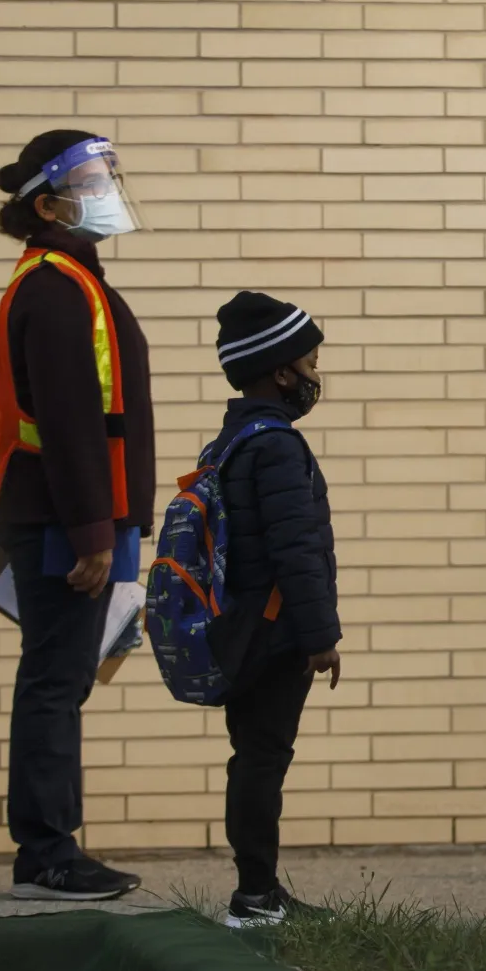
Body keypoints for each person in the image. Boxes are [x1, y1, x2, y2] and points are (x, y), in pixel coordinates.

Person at [0, 130, 156, 902]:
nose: (107, 187)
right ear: (47, 204)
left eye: (109, 174)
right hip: (63, 521)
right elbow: (71, 417)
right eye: (90, 179)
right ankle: (47, 852)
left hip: (75, 516)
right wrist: (92, 532)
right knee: (55, 679)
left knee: (64, 675)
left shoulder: (71, 278)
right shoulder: (55, 287)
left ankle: (48, 847)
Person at [209, 291, 341, 928]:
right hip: (276, 633)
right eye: (312, 363)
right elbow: (297, 552)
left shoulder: (231, 441)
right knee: (263, 759)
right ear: (282, 370)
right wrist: (320, 638)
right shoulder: (278, 447)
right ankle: (255, 897)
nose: (316, 377)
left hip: (240, 628)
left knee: (253, 756)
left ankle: (259, 890)